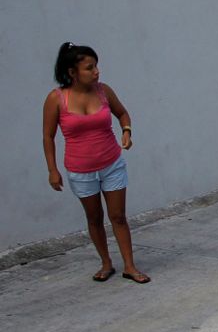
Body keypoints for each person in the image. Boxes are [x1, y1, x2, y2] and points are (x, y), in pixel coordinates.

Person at [42, 42, 150, 284]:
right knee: (94, 218)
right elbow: (48, 136)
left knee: (118, 216)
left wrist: (126, 131)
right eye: (90, 68)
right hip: (80, 171)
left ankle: (130, 266)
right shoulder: (56, 99)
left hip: (112, 164)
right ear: (72, 72)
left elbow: (122, 113)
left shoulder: (104, 91)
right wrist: (52, 170)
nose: (96, 71)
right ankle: (106, 263)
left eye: (96, 66)